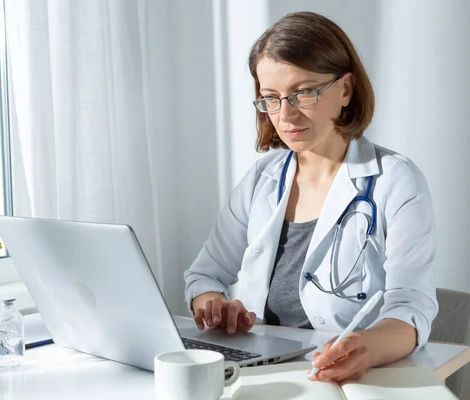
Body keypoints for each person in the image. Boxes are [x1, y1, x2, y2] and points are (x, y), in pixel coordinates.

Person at [183, 11, 438, 383]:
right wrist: (215, 307)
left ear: (346, 89)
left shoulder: (396, 181)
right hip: (264, 374)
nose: (285, 115)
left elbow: (411, 309)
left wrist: (362, 348)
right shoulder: (262, 178)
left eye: (304, 93)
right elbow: (204, 275)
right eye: (271, 98)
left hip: (353, 378)